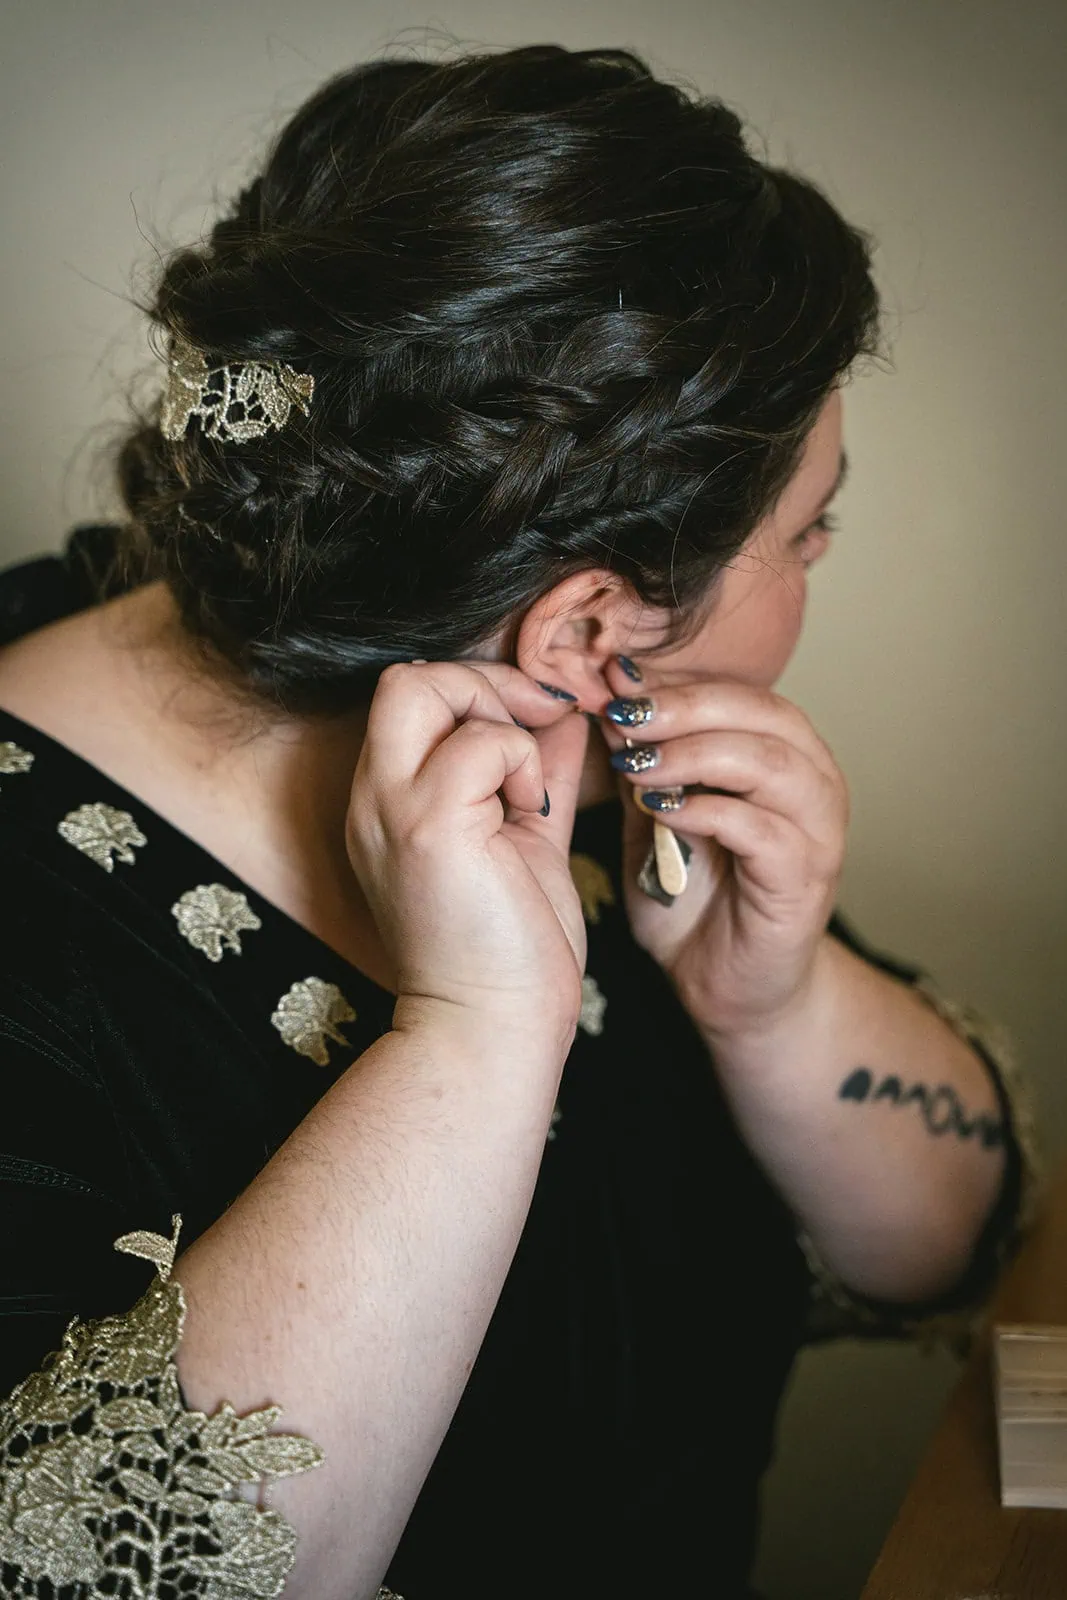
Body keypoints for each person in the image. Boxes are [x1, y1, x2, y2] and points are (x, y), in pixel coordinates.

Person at [0, 43, 1034, 1600]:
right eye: (806, 530)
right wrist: (473, 1033)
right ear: (583, 627)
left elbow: (967, 1235)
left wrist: (774, 1002)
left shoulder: (599, 781)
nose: (814, 563)